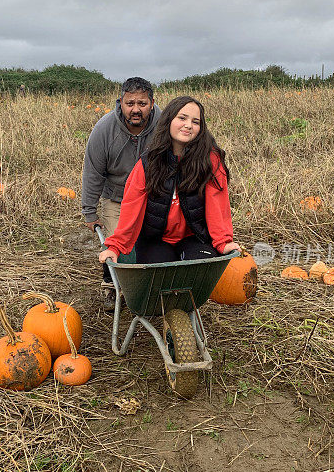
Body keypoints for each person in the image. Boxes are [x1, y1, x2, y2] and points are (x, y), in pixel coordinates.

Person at [99, 95, 240, 268]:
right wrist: (116, 246)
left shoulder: (210, 160)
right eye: (182, 118)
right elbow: (132, 207)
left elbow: (218, 205)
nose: (189, 125)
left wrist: (223, 242)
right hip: (155, 239)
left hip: (194, 237)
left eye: (196, 122)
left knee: (199, 266)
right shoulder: (149, 162)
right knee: (160, 272)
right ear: (168, 121)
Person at [82, 76, 162, 307]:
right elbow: (93, 172)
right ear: (121, 102)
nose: (136, 109)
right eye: (130, 104)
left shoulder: (164, 126)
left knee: (153, 240)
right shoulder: (104, 130)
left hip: (154, 195)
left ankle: (149, 285)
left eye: (142, 103)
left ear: (152, 103)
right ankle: (112, 286)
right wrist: (89, 211)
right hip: (117, 197)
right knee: (116, 240)